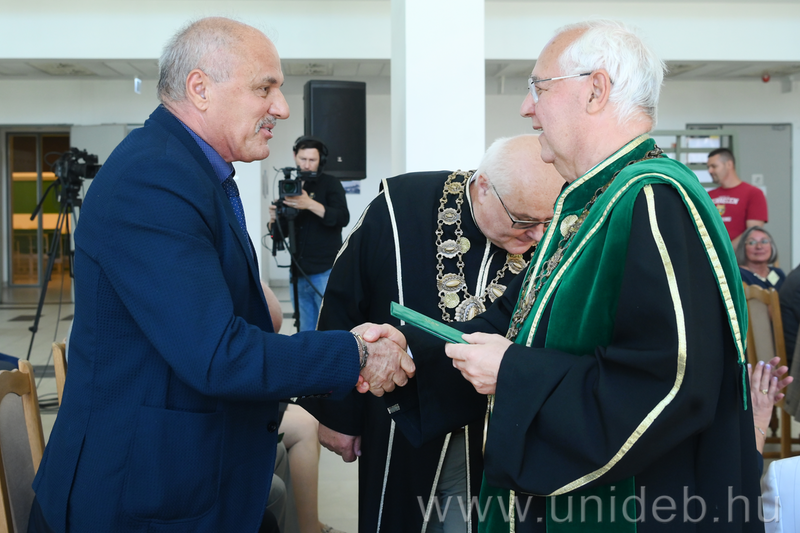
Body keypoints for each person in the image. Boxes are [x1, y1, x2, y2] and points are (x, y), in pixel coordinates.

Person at [364, 19, 764, 532]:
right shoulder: (594, 200)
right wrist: (408, 350)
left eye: (539, 87)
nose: (526, 107)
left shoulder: (652, 199)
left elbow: (670, 382)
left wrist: (513, 373)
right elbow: (518, 321)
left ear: (595, 90)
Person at [28, 17, 413, 533]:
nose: (281, 107)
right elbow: (217, 355)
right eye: (265, 88)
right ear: (200, 89)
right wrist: (356, 353)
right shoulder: (154, 179)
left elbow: (231, 320)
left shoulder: (191, 172)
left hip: (185, 469)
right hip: (132, 496)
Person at [301, 135, 565, 533]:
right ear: (483, 187)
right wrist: (337, 413)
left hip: (496, 428)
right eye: (525, 221)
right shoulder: (400, 206)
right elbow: (344, 301)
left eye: (548, 222)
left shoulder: (552, 234)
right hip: (397, 419)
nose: (539, 236)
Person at [269, 137, 350, 331]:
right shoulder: (290, 187)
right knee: (306, 329)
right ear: (295, 156)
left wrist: (310, 204)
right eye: (303, 159)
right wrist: (273, 219)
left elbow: (342, 218)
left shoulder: (330, 184)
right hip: (298, 271)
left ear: (321, 160)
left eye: (312, 160)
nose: (306, 165)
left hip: (325, 271)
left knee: (330, 326)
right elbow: (279, 234)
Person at [706, 147, 768, 248]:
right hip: (712, 254)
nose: (710, 171)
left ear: (729, 164)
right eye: (708, 167)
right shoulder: (708, 195)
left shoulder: (754, 193)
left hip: (739, 255)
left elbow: (753, 231)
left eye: (714, 166)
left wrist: (727, 251)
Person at [736, 226, 785, 290]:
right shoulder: (738, 275)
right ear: (743, 248)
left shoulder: (778, 273)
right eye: (752, 242)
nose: (759, 246)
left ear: (772, 246)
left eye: (764, 241)